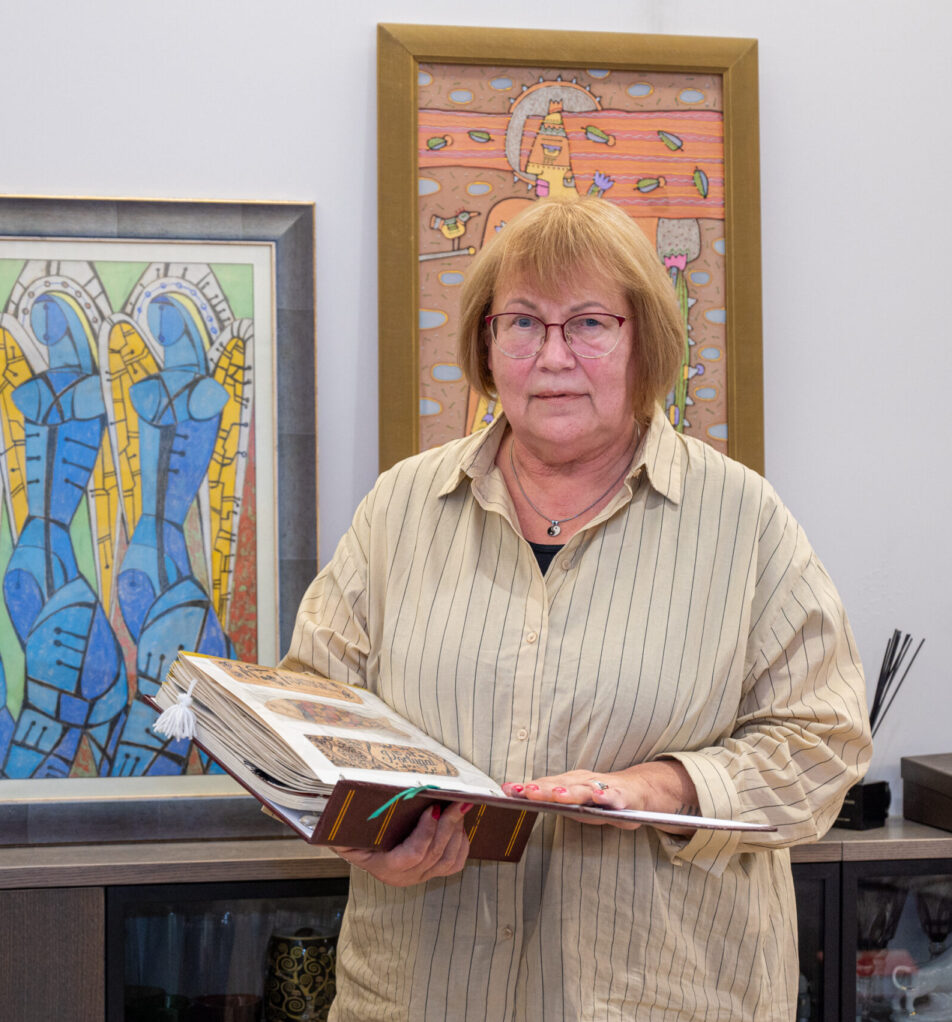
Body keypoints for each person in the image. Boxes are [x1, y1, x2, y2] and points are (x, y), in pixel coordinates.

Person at [281, 197, 872, 1020]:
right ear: (488, 344)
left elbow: (823, 744)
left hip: (663, 1001)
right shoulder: (400, 508)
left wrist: (663, 788)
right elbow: (312, 709)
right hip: (421, 995)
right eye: (523, 323)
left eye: (589, 324)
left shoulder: (743, 520)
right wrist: (364, 835)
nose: (553, 356)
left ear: (644, 343)